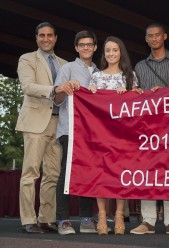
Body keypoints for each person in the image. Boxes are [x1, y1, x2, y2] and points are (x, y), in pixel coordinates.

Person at [130, 22, 169, 235]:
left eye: (157, 35)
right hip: (148, 127)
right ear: (146, 39)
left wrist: (168, 90)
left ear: (165, 36)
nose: (153, 39)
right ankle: (148, 221)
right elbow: (135, 95)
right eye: (149, 36)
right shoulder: (140, 66)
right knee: (147, 171)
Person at [16, 22, 67, 233]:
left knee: (53, 175)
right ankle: (28, 219)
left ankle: (47, 219)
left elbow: (68, 95)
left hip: (59, 124)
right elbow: (28, 86)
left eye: (50, 35)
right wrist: (55, 88)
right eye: (42, 35)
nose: (46, 39)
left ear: (56, 38)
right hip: (36, 123)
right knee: (30, 173)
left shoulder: (65, 64)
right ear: (36, 38)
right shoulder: (27, 59)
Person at [88, 36, 140, 235]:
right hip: (101, 133)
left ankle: (119, 214)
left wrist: (129, 92)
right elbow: (89, 104)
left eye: (115, 50)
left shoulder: (130, 75)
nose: (111, 53)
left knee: (120, 174)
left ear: (121, 53)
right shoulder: (96, 76)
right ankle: (102, 215)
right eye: (108, 50)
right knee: (101, 174)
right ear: (104, 54)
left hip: (122, 134)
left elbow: (138, 100)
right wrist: (90, 91)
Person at [53, 30, 99, 235]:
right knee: (66, 174)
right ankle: (62, 219)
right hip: (70, 130)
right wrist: (65, 88)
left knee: (88, 174)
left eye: (89, 44)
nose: (86, 48)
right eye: (82, 45)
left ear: (95, 47)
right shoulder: (68, 68)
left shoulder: (100, 72)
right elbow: (56, 100)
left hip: (93, 134)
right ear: (76, 48)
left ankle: (87, 219)